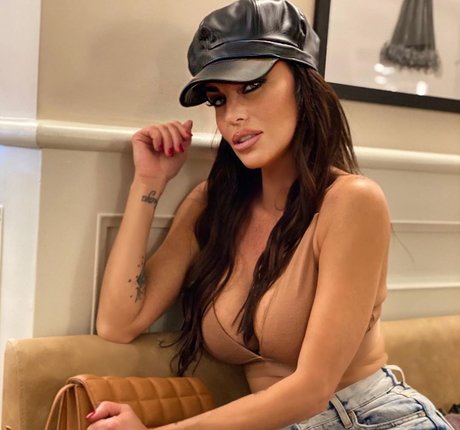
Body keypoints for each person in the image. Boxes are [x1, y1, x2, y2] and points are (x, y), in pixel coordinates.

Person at [87, 1, 453, 429]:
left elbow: (312, 389)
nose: (233, 116)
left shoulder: (352, 202)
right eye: (218, 99)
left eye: (252, 85)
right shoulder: (214, 204)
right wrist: (148, 183)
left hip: (369, 418)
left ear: (303, 86)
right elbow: (118, 323)